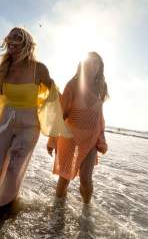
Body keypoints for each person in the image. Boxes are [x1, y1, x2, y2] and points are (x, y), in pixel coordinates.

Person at [0, 27, 72, 206]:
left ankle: (3, 203)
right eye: (9, 37)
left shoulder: (38, 68)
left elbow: (54, 92)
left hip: (30, 125)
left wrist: (65, 114)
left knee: (14, 168)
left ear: (26, 43)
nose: (11, 40)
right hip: (6, 119)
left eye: (17, 37)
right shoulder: (5, 68)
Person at [47, 52, 108, 204]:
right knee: (64, 178)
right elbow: (61, 112)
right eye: (89, 62)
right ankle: (58, 211)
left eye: (96, 63)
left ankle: (87, 211)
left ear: (100, 67)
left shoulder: (102, 87)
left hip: (91, 138)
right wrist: (52, 139)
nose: (92, 66)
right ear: (82, 65)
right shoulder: (73, 84)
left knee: (86, 179)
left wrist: (101, 138)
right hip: (70, 137)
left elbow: (99, 115)